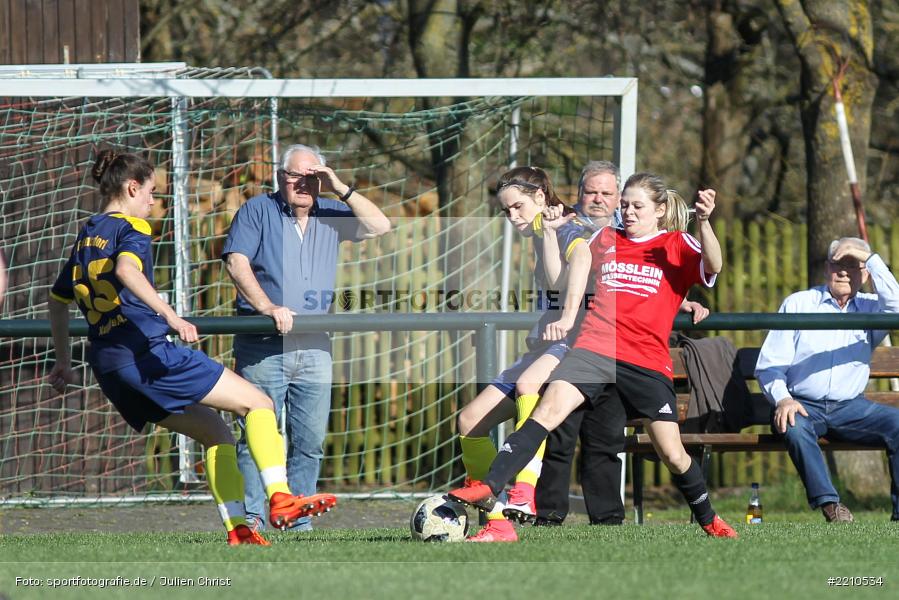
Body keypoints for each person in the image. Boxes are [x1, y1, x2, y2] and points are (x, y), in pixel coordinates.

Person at [46, 150, 336, 546]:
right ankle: (281, 498)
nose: (153, 202)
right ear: (132, 189)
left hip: (109, 365)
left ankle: (239, 530)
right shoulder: (132, 227)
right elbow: (127, 271)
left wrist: (64, 360)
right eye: (151, 193)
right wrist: (171, 316)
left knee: (217, 433)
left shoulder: (87, 233)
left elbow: (57, 299)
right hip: (148, 353)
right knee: (259, 405)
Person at [450, 172, 738, 538]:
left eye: (638, 206)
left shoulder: (676, 243)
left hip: (646, 361)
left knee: (673, 453)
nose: (629, 213)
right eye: (626, 205)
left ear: (659, 210)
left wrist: (705, 222)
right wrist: (554, 239)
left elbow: (713, 265)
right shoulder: (605, 238)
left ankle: (709, 519)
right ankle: (492, 488)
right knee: (546, 410)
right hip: (595, 348)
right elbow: (566, 277)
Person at [222, 144, 390, 532]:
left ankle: (297, 521)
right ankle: (252, 519)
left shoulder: (330, 212)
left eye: (311, 177)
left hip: (315, 346)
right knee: (258, 434)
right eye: (295, 176)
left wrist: (339, 187)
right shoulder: (256, 210)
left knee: (310, 439)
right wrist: (268, 307)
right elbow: (236, 262)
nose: (302, 184)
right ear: (281, 177)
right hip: (263, 345)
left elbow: (380, 226)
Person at [536, 161, 709, 527]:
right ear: (579, 195)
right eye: (590, 192)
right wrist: (547, 231)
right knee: (559, 429)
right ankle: (546, 513)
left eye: (606, 193)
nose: (598, 199)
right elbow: (558, 283)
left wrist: (679, 299)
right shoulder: (572, 229)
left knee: (605, 437)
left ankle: (609, 519)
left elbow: (643, 282)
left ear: (617, 198)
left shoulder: (627, 234)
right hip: (574, 342)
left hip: (618, 351)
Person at [456, 166, 595, 542]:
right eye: (506, 211)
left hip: (577, 341)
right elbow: (554, 280)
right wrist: (547, 234)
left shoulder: (567, 224)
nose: (512, 215)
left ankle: (525, 489)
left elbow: (582, 258)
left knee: (528, 382)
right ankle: (498, 519)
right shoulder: (546, 228)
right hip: (545, 344)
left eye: (517, 206)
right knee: (469, 421)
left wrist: (567, 316)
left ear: (539, 196)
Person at [755, 237, 899, 522]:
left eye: (853, 265)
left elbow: (897, 305)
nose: (844, 272)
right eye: (838, 264)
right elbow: (769, 366)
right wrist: (784, 399)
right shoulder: (799, 303)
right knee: (794, 427)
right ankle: (831, 506)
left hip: (851, 408)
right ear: (826, 269)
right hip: (803, 404)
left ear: (865, 274)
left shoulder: (872, 308)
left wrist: (869, 257)